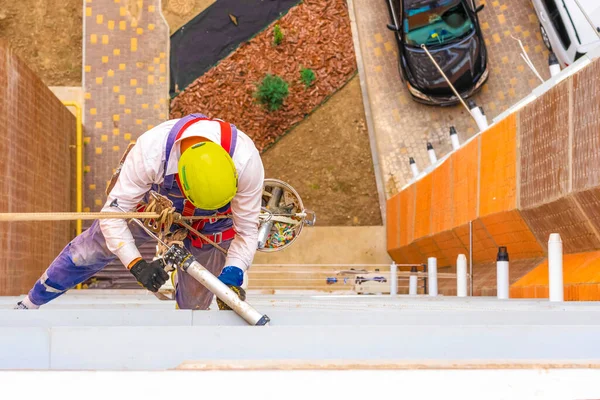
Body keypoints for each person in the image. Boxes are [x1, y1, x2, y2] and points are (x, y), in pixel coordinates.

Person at [16, 113, 264, 310]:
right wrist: (137, 265)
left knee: (195, 306)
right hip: (155, 207)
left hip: (212, 224)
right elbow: (113, 215)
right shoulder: (151, 152)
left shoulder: (246, 162)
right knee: (89, 252)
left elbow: (246, 231)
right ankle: (31, 302)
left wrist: (233, 273)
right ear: (182, 179)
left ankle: (186, 284)